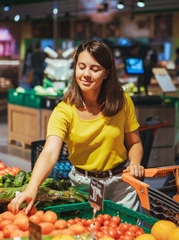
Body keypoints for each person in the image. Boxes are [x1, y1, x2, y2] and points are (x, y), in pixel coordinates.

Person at [10, 40, 144, 214]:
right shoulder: (64, 110)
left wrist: (134, 163)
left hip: (122, 186)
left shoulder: (122, 100)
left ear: (106, 73)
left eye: (94, 69)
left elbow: (135, 142)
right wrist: (31, 187)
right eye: (81, 67)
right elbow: (50, 153)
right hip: (83, 188)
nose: (86, 74)